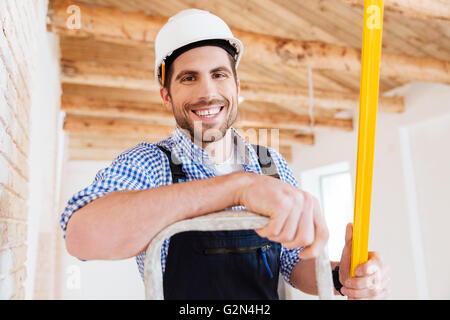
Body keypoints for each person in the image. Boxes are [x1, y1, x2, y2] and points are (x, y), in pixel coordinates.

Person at [61, 9, 390, 300]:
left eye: (219, 74)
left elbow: (291, 266)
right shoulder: (150, 164)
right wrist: (238, 187)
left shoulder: (272, 166)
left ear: (237, 87)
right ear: (166, 95)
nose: (207, 92)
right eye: (189, 78)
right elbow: (82, 236)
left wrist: (338, 277)